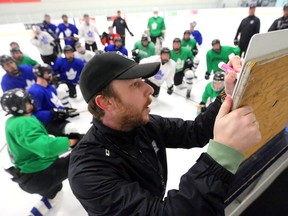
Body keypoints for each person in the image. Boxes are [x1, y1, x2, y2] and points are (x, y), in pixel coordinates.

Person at [68, 52, 261, 215]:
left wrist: (227, 94)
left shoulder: (145, 124)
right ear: (106, 102)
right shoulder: (88, 171)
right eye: (135, 84)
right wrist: (220, 159)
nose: (149, 88)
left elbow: (195, 132)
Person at [0, 88, 78, 216]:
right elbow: (46, 148)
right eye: (27, 101)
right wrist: (70, 142)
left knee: (55, 194)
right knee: (80, 157)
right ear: (20, 106)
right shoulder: (24, 122)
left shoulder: (11, 122)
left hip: (27, 177)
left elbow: (32, 142)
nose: (31, 102)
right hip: (41, 175)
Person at [28, 64, 80, 137]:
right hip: (46, 124)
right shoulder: (34, 91)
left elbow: (55, 104)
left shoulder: (50, 88)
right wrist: (52, 113)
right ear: (41, 74)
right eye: (48, 72)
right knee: (71, 129)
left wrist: (64, 111)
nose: (50, 74)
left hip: (55, 120)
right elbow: (33, 114)